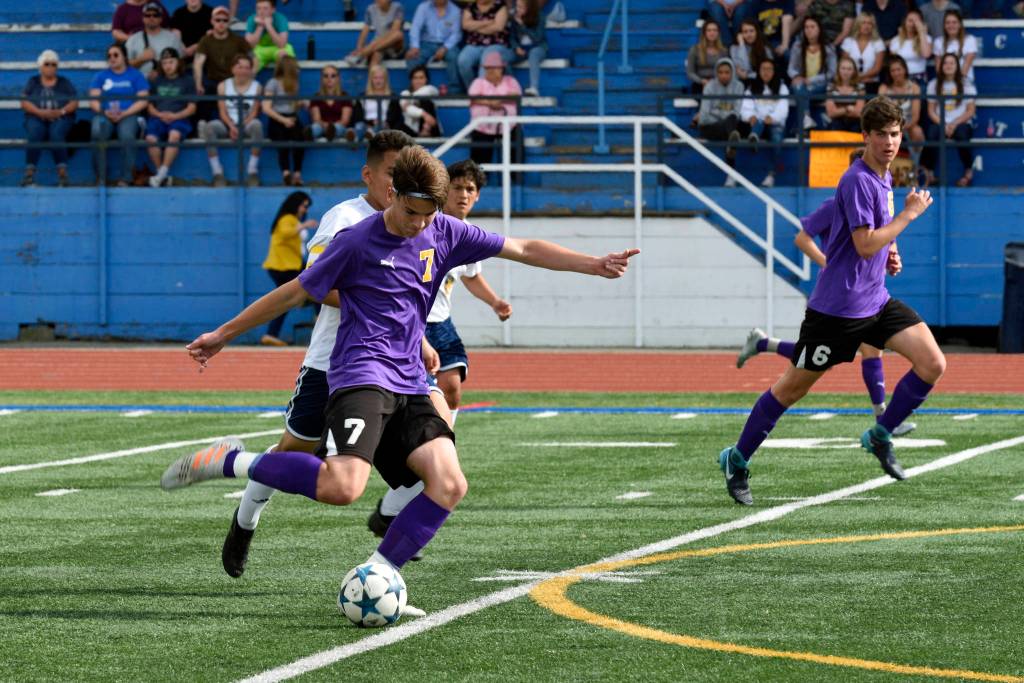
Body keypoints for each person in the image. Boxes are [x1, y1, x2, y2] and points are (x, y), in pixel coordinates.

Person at [160, 144, 639, 582]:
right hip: (360, 373)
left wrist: (593, 264)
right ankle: (230, 462)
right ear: (391, 193)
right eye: (411, 213)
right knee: (343, 486)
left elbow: (523, 248)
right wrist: (223, 334)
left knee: (450, 483)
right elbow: (293, 292)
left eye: (428, 215)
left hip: (410, 378)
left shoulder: (445, 229)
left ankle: (379, 574)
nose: (419, 225)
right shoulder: (353, 240)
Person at [194, 131, 418, 578]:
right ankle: (245, 519)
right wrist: (374, 300)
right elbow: (317, 284)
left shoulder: (418, 221)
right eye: (392, 174)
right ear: (368, 175)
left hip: (394, 370)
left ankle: (386, 548)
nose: (397, 185)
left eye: (405, 175)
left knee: (429, 470)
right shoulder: (346, 219)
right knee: (293, 453)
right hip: (331, 363)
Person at [718, 95, 942, 506]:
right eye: (881, 135)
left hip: (874, 301)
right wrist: (907, 217)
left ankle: (880, 433)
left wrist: (890, 253)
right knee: (790, 390)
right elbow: (862, 244)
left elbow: (875, 241)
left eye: (895, 134)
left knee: (932, 362)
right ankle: (736, 458)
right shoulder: (857, 179)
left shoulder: (885, 176)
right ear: (866, 136)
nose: (890, 142)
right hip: (836, 312)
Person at [366, 158, 512, 544]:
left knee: (453, 388)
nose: (464, 195)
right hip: (411, 326)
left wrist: (495, 302)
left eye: (471, 190)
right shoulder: (420, 224)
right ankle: (417, 466)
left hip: (441, 324)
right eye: (458, 188)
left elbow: (473, 277)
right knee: (425, 398)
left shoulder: (464, 234)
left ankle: (434, 453)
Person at [737, 152, 917, 437]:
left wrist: (891, 256)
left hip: (866, 295)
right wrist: (826, 262)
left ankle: (882, 418)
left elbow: (881, 241)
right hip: (837, 295)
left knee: (868, 350)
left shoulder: (879, 198)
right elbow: (801, 237)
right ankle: (763, 345)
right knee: (814, 365)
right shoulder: (836, 204)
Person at [260, 191, 318, 346]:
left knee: (287, 299)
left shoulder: (293, 220)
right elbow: (286, 233)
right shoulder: (286, 219)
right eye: (304, 205)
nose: (305, 209)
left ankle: (271, 334)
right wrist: (304, 225)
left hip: (291, 265)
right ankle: (317, 319)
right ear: (295, 204)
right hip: (283, 267)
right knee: (317, 289)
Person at [89, 43, 151, 186]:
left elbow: (143, 100)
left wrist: (125, 113)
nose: (112, 58)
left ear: (124, 57)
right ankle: (102, 176)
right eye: (109, 56)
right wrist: (105, 112)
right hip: (105, 114)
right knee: (97, 131)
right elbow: (93, 101)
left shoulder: (136, 75)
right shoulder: (100, 76)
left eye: (116, 54)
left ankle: (126, 177)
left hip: (129, 114)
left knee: (127, 136)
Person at [201, 52, 263, 187]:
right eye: (240, 67)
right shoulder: (223, 86)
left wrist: (241, 126)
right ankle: (217, 172)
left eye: (247, 68)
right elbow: (222, 111)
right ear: (233, 69)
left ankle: (252, 171)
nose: (243, 71)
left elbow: (254, 112)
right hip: (227, 123)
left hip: (247, 124)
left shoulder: (257, 86)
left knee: (257, 125)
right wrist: (231, 126)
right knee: (210, 127)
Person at [20, 49, 78, 188]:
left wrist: (61, 111)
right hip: (36, 116)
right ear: (40, 66)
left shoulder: (64, 82)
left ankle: (63, 176)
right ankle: (29, 175)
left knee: (56, 134)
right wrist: (39, 112)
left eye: (54, 64)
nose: (51, 67)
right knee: (35, 133)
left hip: (60, 117)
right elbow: (24, 101)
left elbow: (74, 102)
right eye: (47, 64)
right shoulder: (33, 81)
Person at [921, 52, 976, 186]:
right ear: (941, 66)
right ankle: (930, 174)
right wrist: (944, 124)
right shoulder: (934, 84)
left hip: (961, 122)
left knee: (962, 135)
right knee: (932, 133)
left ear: (957, 66)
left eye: (952, 63)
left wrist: (954, 124)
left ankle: (968, 172)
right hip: (940, 122)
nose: (948, 66)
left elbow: (970, 111)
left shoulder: (967, 84)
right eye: (945, 63)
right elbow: (931, 110)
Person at [144, 47, 196, 187]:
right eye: (165, 62)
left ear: (178, 62)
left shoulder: (188, 80)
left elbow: (192, 107)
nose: (168, 66)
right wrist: (159, 114)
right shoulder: (156, 81)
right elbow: (149, 105)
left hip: (180, 118)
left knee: (174, 135)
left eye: (171, 62)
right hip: (158, 118)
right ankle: (163, 175)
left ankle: (160, 175)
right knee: (150, 138)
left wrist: (175, 115)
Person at [193, 6, 252, 122]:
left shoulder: (238, 40)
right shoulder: (205, 40)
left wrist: (248, 79)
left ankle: (236, 128)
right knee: (203, 93)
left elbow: (254, 59)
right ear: (212, 21)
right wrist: (198, 84)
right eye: (218, 20)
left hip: (232, 81)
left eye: (225, 20)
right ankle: (202, 126)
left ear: (229, 22)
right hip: (212, 81)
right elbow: (198, 63)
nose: (221, 23)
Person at [468, 50, 523, 166]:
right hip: (482, 127)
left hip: (508, 125)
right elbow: (473, 97)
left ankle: (516, 178)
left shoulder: (510, 81)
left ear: (501, 69)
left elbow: (516, 95)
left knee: (517, 139)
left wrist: (500, 100)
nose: (491, 71)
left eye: (494, 68)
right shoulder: (478, 82)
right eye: (488, 68)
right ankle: (479, 179)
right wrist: (490, 102)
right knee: (479, 151)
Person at [740, 57, 789, 187]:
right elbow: (745, 107)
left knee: (777, 138)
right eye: (763, 69)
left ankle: (771, 175)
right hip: (758, 123)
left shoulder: (782, 88)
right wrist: (750, 116)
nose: (766, 72)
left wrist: (772, 118)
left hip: (775, 124)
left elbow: (783, 109)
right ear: (758, 71)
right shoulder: (752, 88)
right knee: (758, 122)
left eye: (769, 69)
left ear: (774, 71)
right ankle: (754, 138)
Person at [698, 57, 746, 186]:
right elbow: (704, 116)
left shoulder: (739, 86)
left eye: (727, 72)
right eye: (720, 72)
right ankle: (732, 146)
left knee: (733, 124)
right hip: (710, 127)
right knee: (730, 127)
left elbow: (737, 111)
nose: (723, 75)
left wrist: (718, 113)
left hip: (730, 124)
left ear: (732, 73)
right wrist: (723, 118)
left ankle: (731, 176)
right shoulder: (709, 86)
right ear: (716, 73)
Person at [262, 55, 306, 186]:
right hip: (277, 119)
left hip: (291, 117)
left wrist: (300, 104)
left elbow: (291, 105)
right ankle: (286, 173)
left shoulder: (294, 83)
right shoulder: (273, 83)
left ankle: (297, 173)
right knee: (283, 140)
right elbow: (266, 108)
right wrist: (283, 120)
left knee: (300, 139)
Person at [788, 15, 837, 129]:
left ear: (819, 29)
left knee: (801, 90)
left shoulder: (829, 48)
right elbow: (791, 68)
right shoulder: (798, 46)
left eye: (812, 27)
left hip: (821, 85)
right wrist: (796, 76)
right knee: (799, 87)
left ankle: (804, 120)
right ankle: (806, 118)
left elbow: (831, 73)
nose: (809, 30)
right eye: (806, 27)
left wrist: (810, 80)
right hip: (801, 84)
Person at [407, 0, 464, 94]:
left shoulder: (455, 10)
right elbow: (415, 28)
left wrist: (445, 47)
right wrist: (415, 46)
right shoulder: (423, 7)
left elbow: (456, 34)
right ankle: (419, 90)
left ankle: (454, 90)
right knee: (413, 58)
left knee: (454, 56)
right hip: (426, 43)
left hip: (446, 44)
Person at [458, 0, 514, 93]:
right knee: (463, 60)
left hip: (496, 43)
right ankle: (473, 91)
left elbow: (498, 27)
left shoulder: (500, 6)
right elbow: (465, 25)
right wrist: (486, 23)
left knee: (486, 61)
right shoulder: (471, 6)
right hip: (474, 44)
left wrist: (475, 27)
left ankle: (486, 94)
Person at [878, 55, 924, 162]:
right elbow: (881, 113)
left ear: (905, 70)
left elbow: (916, 116)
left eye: (899, 69)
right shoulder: (883, 88)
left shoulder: (914, 87)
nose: (896, 73)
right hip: (889, 124)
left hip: (909, 123)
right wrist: (893, 128)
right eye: (893, 70)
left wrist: (903, 128)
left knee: (917, 132)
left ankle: (914, 166)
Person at [126, 2, 187, 81]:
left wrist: (161, 72)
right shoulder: (133, 39)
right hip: (139, 84)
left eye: (155, 15)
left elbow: (181, 63)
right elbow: (124, 67)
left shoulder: (172, 38)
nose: (151, 18)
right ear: (143, 18)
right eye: (147, 15)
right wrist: (140, 59)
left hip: (166, 84)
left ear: (161, 18)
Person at [343, 0, 405, 68]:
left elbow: (393, 31)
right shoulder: (370, 9)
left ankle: (362, 54)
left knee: (398, 34)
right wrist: (359, 48)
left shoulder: (397, 7)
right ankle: (370, 76)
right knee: (376, 56)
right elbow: (365, 30)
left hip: (393, 46)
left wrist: (367, 49)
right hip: (377, 46)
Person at [305, 65, 356, 142]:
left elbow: (345, 120)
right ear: (322, 79)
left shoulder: (345, 96)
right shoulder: (316, 97)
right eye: (326, 76)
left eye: (333, 76)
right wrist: (327, 127)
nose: (329, 79)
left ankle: (331, 132)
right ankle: (310, 133)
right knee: (315, 127)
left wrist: (332, 127)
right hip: (321, 128)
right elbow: (316, 119)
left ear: (338, 78)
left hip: (339, 128)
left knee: (338, 127)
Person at [388, 65, 442, 138]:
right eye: (415, 78)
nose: (418, 81)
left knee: (426, 101)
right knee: (395, 103)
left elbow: (427, 92)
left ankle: (426, 130)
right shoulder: (405, 93)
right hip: (410, 130)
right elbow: (407, 109)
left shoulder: (431, 89)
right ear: (411, 80)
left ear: (426, 79)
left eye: (421, 78)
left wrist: (409, 101)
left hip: (431, 128)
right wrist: (424, 114)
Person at [840, 13, 886, 94]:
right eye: (863, 23)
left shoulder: (878, 43)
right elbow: (844, 64)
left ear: (873, 26)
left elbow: (877, 68)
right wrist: (855, 78)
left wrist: (860, 77)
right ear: (858, 25)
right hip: (850, 81)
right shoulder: (848, 41)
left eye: (869, 23)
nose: (866, 26)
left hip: (871, 82)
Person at [510, 0, 548, 97]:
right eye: (517, 6)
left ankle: (534, 88)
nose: (518, 9)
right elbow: (512, 37)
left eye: (521, 7)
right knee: (504, 58)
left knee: (534, 54)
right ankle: (513, 88)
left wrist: (522, 25)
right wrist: (516, 47)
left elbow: (537, 38)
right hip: (522, 49)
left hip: (538, 47)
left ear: (529, 8)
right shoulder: (514, 17)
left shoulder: (540, 16)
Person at [245, 0, 295, 72]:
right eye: (258, 8)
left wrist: (269, 26)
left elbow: (281, 44)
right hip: (260, 49)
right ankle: (246, 83)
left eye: (265, 8)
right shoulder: (252, 19)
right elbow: (249, 45)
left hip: (277, 48)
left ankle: (283, 82)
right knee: (248, 61)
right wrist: (260, 26)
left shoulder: (280, 19)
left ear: (273, 10)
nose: (261, 12)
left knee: (284, 57)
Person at [888, 10, 932, 86]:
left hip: (919, 79)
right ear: (905, 22)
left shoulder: (926, 38)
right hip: (900, 79)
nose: (913, 24)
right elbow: (893, 62)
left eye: (916, 21)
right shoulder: (895, 41)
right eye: (910, 21)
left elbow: (926, 54)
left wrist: (921, 32)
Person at [932, 9, 977, 83]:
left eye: (954, 22)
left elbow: (965, 70)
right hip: (944, 84)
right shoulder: (938, 42)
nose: (951, 25)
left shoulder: (970, 40)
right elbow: (939, 70)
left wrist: (955, 86)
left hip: (964, 83)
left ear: (960, 24)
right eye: (947, 23)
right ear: (944, 25)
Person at [687, 20, 729, 95]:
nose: (712, 33)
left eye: (714, 30)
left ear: (718, 33)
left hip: (719, 84)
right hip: (700, 84)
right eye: (709, 30)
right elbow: (690, 72)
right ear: (704, 33)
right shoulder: (695, 49)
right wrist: (702, 81)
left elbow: (728, 71)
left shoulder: (724, 51)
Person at [825, 55, 866, 131]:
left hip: (855, 122)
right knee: (835, 126)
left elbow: (859, 112)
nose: (846, 72)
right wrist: (848, 109)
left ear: (854, 71)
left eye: (849, 69)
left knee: (857, 127)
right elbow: (831, 113)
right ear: (838, 70)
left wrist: (839, 111)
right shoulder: (831, 86)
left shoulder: (860, 87)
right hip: (836, 122)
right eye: (843, 68)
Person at [357, 65, 393, 139]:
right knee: (359, 125)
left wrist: (385, 123)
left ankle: (370, 134)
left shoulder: (392, 96)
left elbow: (394, 116)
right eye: (375, 78)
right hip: (366, 124)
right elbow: (357, 116)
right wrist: (370, 123)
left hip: (383, 126)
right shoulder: (362, 96)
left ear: (385, 79)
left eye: (381, 78)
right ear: (371, 79)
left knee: (380, 127)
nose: (378, 81)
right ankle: (357, 137)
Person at [731, 19, 771, 84]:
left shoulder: (765, 49)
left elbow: (768, 72)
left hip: (760, 82)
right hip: (740, 83)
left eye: (751, 31)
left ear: (757, 32)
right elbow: (744, 68)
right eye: (745, 32)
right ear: (740, 34)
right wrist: (742, 44)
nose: (749, 35)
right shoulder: (734, 48)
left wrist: (748, 76)